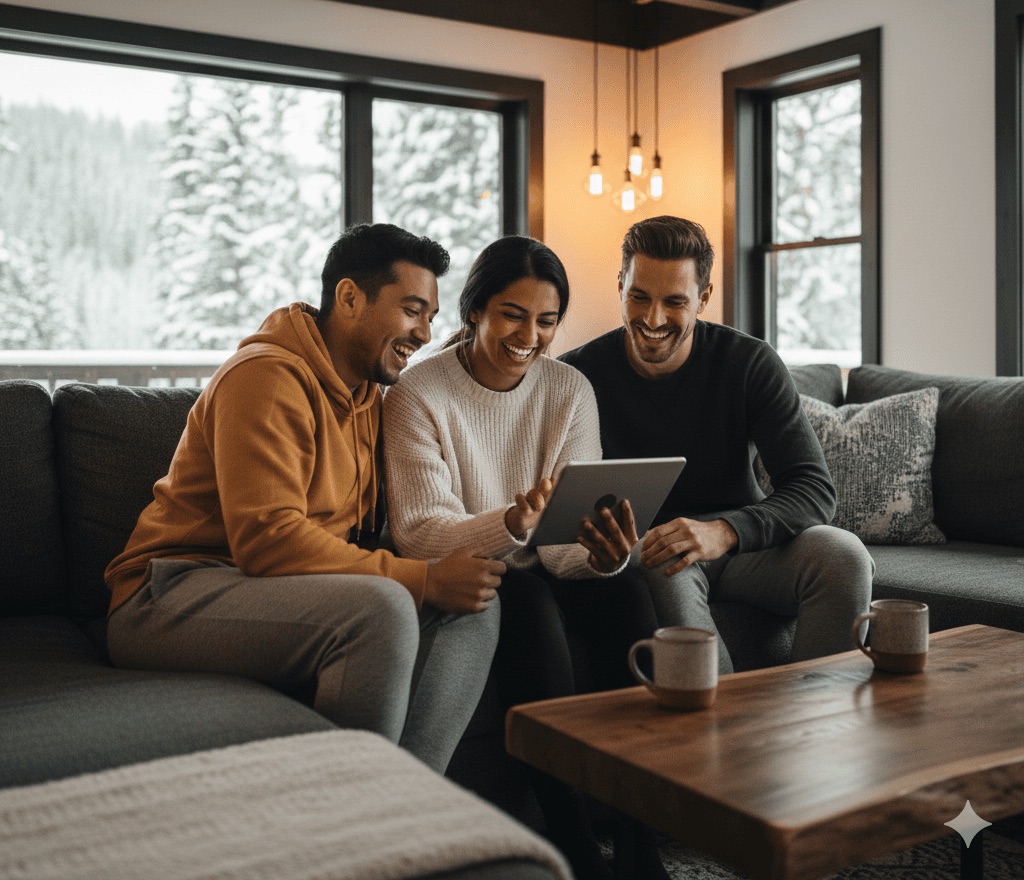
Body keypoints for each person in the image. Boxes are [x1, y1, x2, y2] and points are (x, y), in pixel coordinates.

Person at [104, 223, 505, 774]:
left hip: (269, 588)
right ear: (348, 298)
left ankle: (402, 809)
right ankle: (358, 821)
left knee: (474, 608)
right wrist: (423, 579)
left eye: (432, 318)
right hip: (170, 592)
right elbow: (267, 542)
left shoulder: (368, 393)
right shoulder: (265, 378)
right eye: (412, 310)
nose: (424, 333)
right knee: (385, 607)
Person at [382, 235, 661, 880]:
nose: (529, 336)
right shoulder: (417, 396)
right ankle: (576, 850)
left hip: (550, 562)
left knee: (630, 592)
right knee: (526, 600)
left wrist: (604, 554)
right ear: (474, 309)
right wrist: (510, 522)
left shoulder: (569, 391)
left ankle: (641, 845)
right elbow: (420, 533)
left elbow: (563, 551)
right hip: (487, 569)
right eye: (512, 315)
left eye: (547, 321)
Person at [560, 215, 874, 675]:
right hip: (655, 553)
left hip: (743, 548)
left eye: (675, 302)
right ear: (620, 286)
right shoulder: (578, 376)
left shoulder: (749, 363)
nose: (653, 318)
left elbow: (812, 488)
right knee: (664, 563)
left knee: (844, 556)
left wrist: (724, 530)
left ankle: (822, 718)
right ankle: (721, 736)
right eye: (639, 296)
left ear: (704, 298)